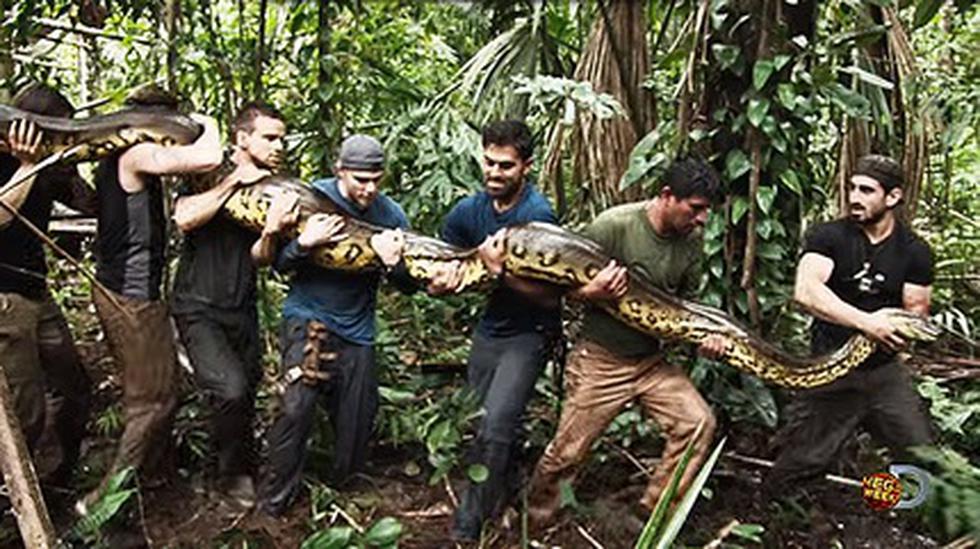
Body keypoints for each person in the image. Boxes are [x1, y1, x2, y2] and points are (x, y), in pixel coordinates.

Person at [527, 157, 725, 527]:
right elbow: (557, 290)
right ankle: (535, 518)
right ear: (667, 196)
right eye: (695, 209)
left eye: (705, 212)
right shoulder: (614, 226)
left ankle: (650, 514)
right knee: (568, 451)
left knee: (698, 424)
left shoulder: (690, 243)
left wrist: (705, 339)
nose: (701, 220)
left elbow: (684, 307)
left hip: (651, 360)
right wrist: (592, 292)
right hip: (602, 359)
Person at [79, 86, 223, 513]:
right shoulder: (135, 153)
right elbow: (208, 157)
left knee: (160, 389)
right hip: (131, 295)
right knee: (152, 401)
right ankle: (102, 505)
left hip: (128, 291)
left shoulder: (111, 160)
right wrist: (208, 125)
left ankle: (153, 479)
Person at [257, 134, 412, 516]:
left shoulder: (391, 216)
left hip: (358, 328)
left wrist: (394, 263)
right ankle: (274, 502)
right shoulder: (312, 199)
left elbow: (409, 287)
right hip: (309, 315)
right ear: (340, 170)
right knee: (296, 409)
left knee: (359, 416)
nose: (369, 188)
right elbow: (279, 265)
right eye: (361, 180)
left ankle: (341, 495)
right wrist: (304, 243)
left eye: (377, 179)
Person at [764, 154, 934, 496]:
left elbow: (916, 312)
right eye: (852, 188)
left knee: (922, 458)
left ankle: (909, 515)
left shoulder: (915, 251)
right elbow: (806, 292)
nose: (855, 197)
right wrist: (869, 324)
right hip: (830, 367)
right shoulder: (830, 236)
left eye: (867, 190)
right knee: (799, 461)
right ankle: (785, 520)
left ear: (893, 197)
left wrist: (903, 337)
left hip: (884, 372)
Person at [431, 120, 562, 541]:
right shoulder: (469, 212)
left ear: (526, 166)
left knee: (496, 423)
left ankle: (469, 524)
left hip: (530, 333)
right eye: (488, 162)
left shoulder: (538, 216)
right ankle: (504, 492)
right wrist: (439, 282)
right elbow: (444, 262)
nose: (494, 172)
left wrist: (498, 272)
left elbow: (548, 298)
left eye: (505, 166)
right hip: (490, 329)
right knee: (485, 422)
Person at [171, 101, 298, 509]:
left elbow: (261, 259)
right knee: (231, 388)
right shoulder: (205, 172)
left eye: (282, 137)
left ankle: (219, 470)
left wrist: (272, 231)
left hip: (240, 305)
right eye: (270, 137)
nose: (280, 145)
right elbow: (184, 218)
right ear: (242, 138)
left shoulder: (273, 186)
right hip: (197, 304)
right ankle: (230, 478)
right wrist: (233, 184)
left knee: (245, 390)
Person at [0, 83, 94, 488]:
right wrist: (26, 166)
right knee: (25, 410)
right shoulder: (11, 160)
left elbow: (88, 204)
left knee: (73, 386)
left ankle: (54, 476)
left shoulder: (48, 160)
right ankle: (11, 496)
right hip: (7, 296)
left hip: (38, 290)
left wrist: (63, 163)